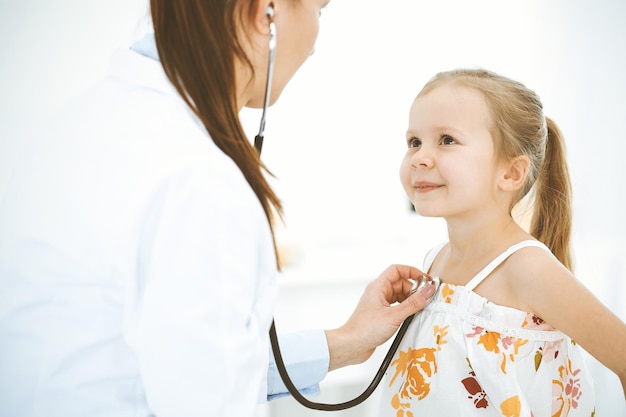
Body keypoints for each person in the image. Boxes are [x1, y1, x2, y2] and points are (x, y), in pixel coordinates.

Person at [0, 1, 436, 416]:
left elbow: (188, 361)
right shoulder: (195, 176)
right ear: (266, 10)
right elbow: (207, 400)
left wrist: (345, 342)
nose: (316, 40)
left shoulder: (79, 126)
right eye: (318, 9)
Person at [379, 68, 626, 416]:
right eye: (414, 142)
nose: (419, 157)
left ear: (510, 173)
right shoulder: (436, 260)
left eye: (447, 140)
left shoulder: (526, 268)